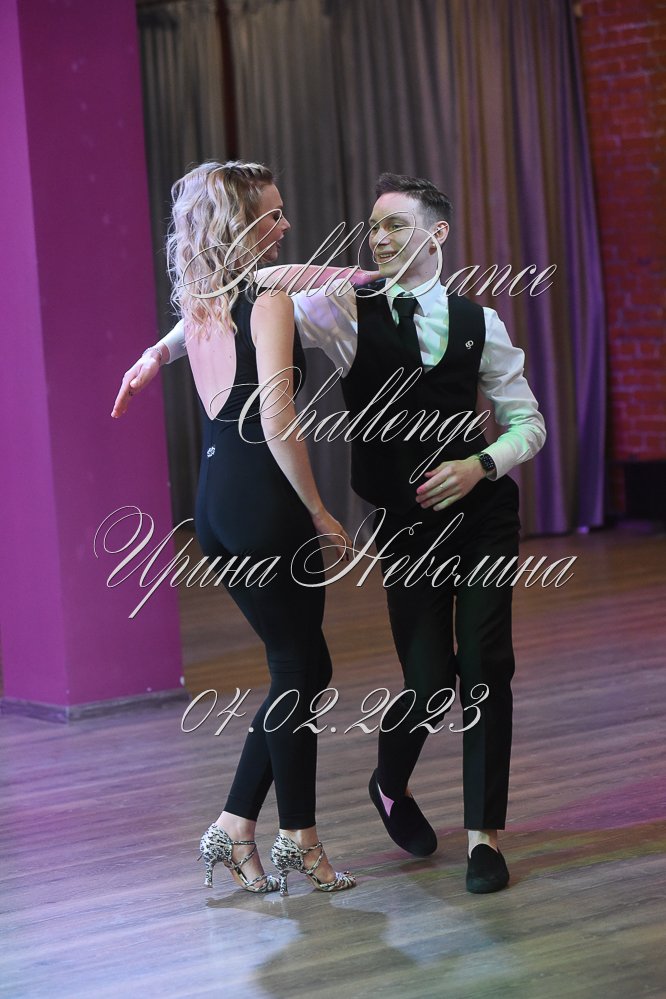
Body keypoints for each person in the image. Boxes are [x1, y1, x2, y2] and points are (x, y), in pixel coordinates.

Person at [119, 171, 546, 894]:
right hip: (389, 522)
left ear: (437, 235)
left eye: (395, 225)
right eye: (372, 226)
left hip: (478, 515)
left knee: (480, 666)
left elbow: (527, 422)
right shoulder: (340, 308)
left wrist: (481, 465)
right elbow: (241, 310)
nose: (377, 238)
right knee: (410, 681)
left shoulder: (480, 321)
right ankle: (361, 799)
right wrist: (160, 353)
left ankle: (482, 838)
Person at [113, 160, 357, 896]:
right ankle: (300, 842)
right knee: (297, 669)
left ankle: (233, 827)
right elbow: (279, 420)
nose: (286, 225)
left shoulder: (204, 301)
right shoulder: (268, 300)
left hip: (218, 503)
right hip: (265, 502)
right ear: (240, 228)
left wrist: (153, 353)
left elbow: (307, 277)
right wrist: (318, 509)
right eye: (272, 216)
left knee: (304, 667)